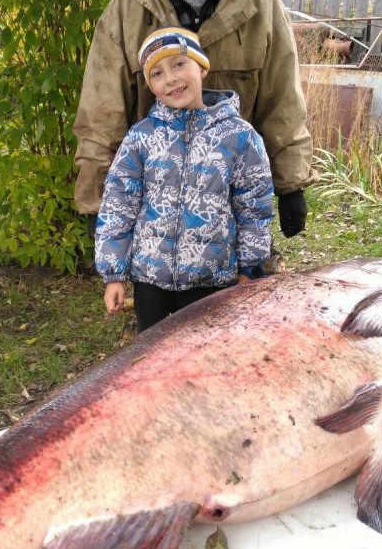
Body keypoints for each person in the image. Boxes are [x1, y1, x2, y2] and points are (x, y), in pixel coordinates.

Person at [74, 0, 317, 244]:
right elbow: (101, 113)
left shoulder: (263, 7)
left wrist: (292, 184)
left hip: (234, 222)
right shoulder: (125, 11)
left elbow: (282, 103)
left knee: (236, 307)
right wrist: (95, 200)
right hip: (155, 225)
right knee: (167, 309)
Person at [95, 27, 273, 332]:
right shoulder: (141, 137)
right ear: (151, 86)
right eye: (158, 74)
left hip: (212, 279)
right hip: (150, 279)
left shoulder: (239, 137)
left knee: (205, 356)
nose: (171, 79)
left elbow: (254, 208)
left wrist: (250, 269)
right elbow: (119, 202)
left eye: (179, 64)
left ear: (202, 67)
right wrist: (114, 273)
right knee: (152, 357)